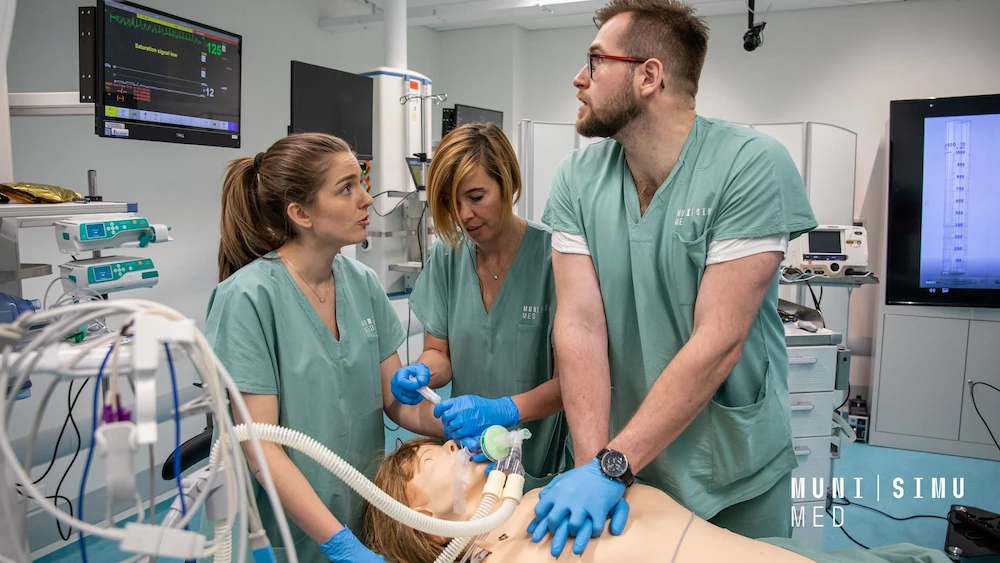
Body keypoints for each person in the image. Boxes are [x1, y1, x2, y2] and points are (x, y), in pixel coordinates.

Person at [532, 0, 821, 556]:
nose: (578, 78)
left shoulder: (749, 164)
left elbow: (719, 342)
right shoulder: (577, 177)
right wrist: (598, 466)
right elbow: (580, 327)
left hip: (731, 467)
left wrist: (613, 467)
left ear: (648, 75)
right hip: (619, 455)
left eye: (595, 61)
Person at [202, 133, 443, 563]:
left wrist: (456, 428)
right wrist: (338, 542)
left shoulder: (363, 284)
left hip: (363, 509)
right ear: (300, 213)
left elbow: (395, 400)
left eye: (361, 182)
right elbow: (261, 448)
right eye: (346, 188)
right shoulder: (247, 299)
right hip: (288, 531)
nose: (366, 199)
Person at [361, 438, 953, 563]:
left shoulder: (524, 498)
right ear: (422, 518)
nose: (447, 446)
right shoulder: (487, 553)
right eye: (429, 458)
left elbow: (510, 454)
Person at [390, 123, 570, 484]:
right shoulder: (448, 257)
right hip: (469, 457)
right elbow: (439, 353)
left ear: (508, 184)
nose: (464, 215)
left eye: (476, 197)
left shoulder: (555, 259)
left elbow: (572, 383)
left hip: (538, 464)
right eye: (451, 202)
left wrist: (504, 410)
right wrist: (424, 371)